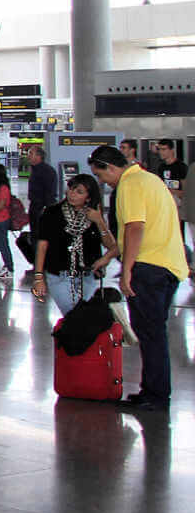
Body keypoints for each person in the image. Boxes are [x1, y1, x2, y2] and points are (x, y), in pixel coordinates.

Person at [91, 143, 187, 411]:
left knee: (151, 334)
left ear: (111, 167)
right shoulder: (150, 179)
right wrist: (110, 257)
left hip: (149, 269)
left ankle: (156, 396)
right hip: (168, 266)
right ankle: (152, 391)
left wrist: (128, 270)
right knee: (153, 332)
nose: (102, 182)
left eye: (101, 175)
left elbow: (135, 228)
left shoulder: (130, 185)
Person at [31, 173, 117, 318]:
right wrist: (39, 277)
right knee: (74, 317)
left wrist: (100, 221)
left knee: (83, 320)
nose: (72, 194)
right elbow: (42, 246)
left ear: (88, 197)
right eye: (71, 189)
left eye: (79, 192)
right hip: (60, 276)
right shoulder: (52, 213)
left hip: (87, 276)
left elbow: (111, 246)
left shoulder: (93, 216)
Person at [25, 145, 58, 222]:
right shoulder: (34, 170)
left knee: (39, 231)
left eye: (31, 153)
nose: (28, 156)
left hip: (41, 207)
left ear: (38, 156)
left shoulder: (46, 171)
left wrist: (46, 209)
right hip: (34, 205)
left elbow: (49, 192)